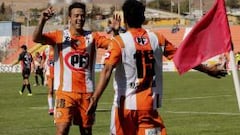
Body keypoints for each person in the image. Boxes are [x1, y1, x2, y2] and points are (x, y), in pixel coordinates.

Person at [87, 0, 227, 135]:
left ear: (125, 20)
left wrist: (95, 99)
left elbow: (106, 70)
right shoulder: (157, 39)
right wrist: (208, 69)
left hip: (124, 109)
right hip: (148, 108)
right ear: (143, 17)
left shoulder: (118, 42)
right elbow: (182, 57)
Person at [33, 2, 115, 135]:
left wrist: (116, 32)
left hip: (87, 94)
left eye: (82, 16)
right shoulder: (59, 36)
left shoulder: (92, 37)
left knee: (86, 131)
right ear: (69, 18)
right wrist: (42, 20)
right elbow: (36, 38)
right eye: (76, 15)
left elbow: (114, 45)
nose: (80, 19)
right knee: (62, 130)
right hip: (65, 93)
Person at [42, 45, 55, 115]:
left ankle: (58, 107)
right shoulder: (46, 49)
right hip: (49, 73)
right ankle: (51, 108)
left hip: (59, 73)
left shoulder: (59, 47)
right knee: (50, 90)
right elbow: (44, 59)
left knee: (59, 91)